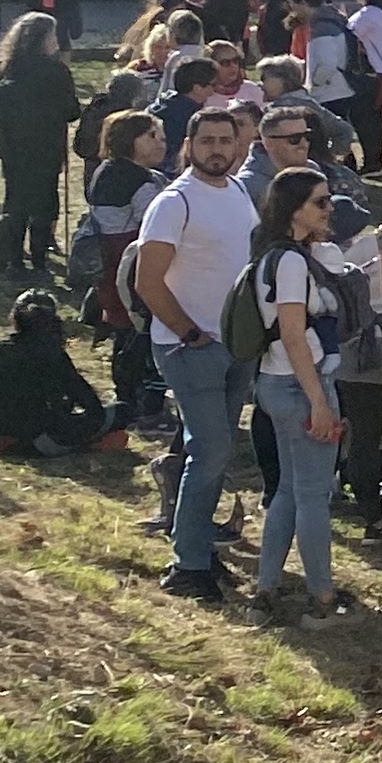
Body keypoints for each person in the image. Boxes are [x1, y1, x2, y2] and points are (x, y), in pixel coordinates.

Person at [133, 105, 260, 600]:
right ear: (189, 146)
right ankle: (187, 564)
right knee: (210, 451)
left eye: (224, 141)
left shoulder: (239, 191)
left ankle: (199, 546)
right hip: (190, 348)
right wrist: (188, 333)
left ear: (237, 145)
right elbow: (148, 281)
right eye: (206, 141)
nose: (216, 150)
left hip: (235, 344)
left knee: (212, 451)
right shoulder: (173, 203)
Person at [245, 163, 362, 617]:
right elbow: (294, 335)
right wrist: (319, 403)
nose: (329, 208)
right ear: (294, 211)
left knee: (289, 492)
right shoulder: (292, 262)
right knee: (313, 497)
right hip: (301, 385)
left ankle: (267, 588)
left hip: (275, 384)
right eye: (320, 201)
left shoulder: (270, 255)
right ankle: (322, 596)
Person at [0, 11, 84, 275]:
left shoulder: (3, 71)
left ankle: (15, 261)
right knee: (43, 202)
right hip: (46, 147)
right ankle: (39, 261)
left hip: (13, 149)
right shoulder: (55, 71)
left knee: (15, 202)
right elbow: (71, 111)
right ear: (43, 39)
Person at [0, 289, 111, 458]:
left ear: (14, 318)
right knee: (119, 411)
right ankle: (91, 445)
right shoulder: (53, 354)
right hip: (34, 440)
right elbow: (91, 405)